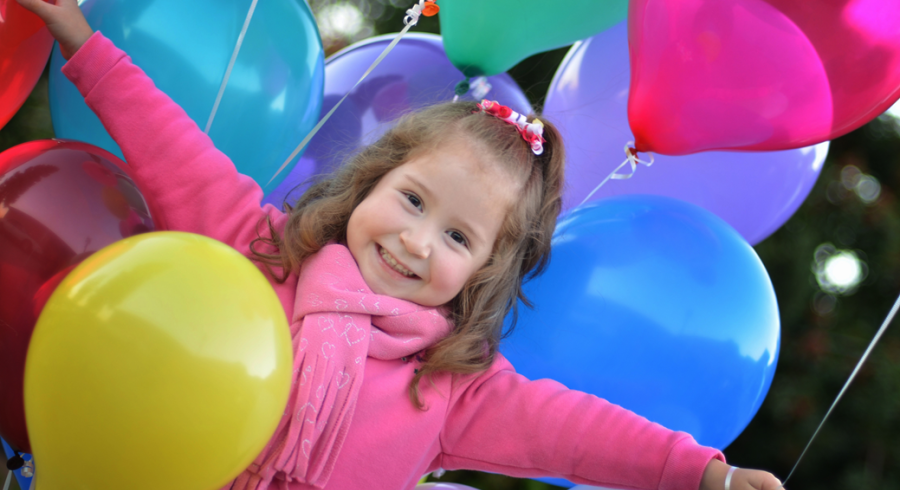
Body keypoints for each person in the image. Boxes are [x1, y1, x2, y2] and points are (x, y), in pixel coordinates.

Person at [16, 1, 786, 489]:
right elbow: (169, 143)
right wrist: (80, 38)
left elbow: (582, 432)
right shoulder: (263, 248)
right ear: (372, 181)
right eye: (412, 200)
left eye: (457, 236)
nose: (416, 241)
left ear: (483, 269)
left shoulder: (453, 392)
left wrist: (705, 477)